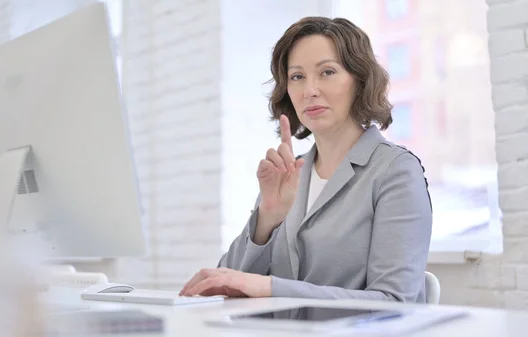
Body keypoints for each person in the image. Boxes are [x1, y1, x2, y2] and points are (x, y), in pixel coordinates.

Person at [179, 16, 433, 303]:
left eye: (327, 72)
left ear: (360, 81)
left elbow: (395, 302)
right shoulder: (290, 173)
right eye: (297, 76)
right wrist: (267, 217)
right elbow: (226, 284)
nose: (310, 90)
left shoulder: (395, 172)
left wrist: (273, 287)